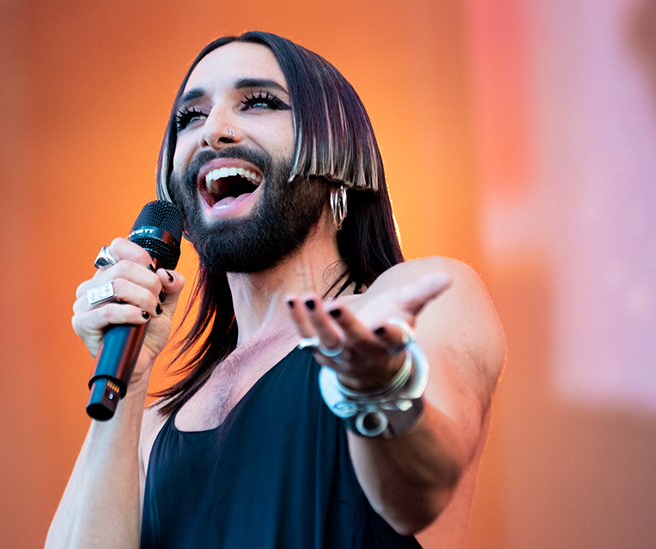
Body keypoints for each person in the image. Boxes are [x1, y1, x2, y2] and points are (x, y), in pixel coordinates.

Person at [46, 31, 505, 549]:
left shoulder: (414, 300)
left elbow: (419, 495)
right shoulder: (156, 426)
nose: (212, 131)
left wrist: (376, 391)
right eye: (189, 117)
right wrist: (126, 382)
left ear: (340, 159)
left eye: (258, 102)